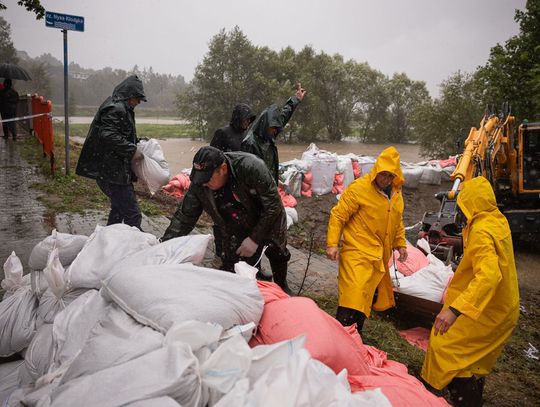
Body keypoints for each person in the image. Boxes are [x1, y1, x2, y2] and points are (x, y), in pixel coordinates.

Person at [421, 176, 519, 407]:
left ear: (471, 203)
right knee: (471, 359)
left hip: (486, 307)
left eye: (464, 203)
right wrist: (456, 243)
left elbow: (489, 275)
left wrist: (454, 310)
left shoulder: (481, 230)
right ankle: (469, 397)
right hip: (502, 305)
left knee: (445, 346)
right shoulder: (495, 219)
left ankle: (440, 396)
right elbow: (489, 251)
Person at [162, 146, 293, 294]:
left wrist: (255, 238)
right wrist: (165, 247)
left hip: (268, 216)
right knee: (235, 263)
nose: (204, 183)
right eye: (201, 178)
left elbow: (273, 206)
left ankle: (282, 285)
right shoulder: (200, 183)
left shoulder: (251, 167)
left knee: (277, 252)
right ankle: (252, 288)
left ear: (223, 169)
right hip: (235, 220)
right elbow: (184, 217)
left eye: (208, 178)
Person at [326, 146, 407, 333]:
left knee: (366, 297)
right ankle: (342, 333)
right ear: (376, 171)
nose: (385, 179)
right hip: (357, 251)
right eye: (383, 174)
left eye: (390, 176)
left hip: (378, 255)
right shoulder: (359, 189)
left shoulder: (395, 194)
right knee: (352, 295)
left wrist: (400, 243)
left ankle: (356, 334)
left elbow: (397, 220)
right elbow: (338, 215)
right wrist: (332, 243)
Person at [75, 75, 147, 230]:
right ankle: (137, 248)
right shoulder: (116, 108)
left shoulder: (121, 107)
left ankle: (108, 242)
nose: (139, 102)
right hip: (113, 172)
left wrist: (138, 142)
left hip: (114, 170)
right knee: (132, 214)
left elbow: (120, 133)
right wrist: (132, 149)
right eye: (138, 98)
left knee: (118, 210)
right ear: (130, 95)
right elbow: (108, 135)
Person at [209, 103, 256, 258]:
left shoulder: (248, 135)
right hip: (223, 182)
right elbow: (212, 156)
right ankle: (220, 250)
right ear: (237, 118)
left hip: (241, 184)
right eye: (245, 120)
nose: (247, 123)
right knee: (221, 217)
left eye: (249, 120)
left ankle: (237, 252)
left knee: (241, 219)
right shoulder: (222, 133)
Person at [241, 84, 306, 184]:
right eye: (274, 128)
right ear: (265, 125)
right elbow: (248, 174)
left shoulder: (268, 135)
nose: (275, 131)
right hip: (259, 190)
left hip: (270, 185)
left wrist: (296, 99)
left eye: (277, 128)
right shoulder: (250, 143)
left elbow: (284, 115)